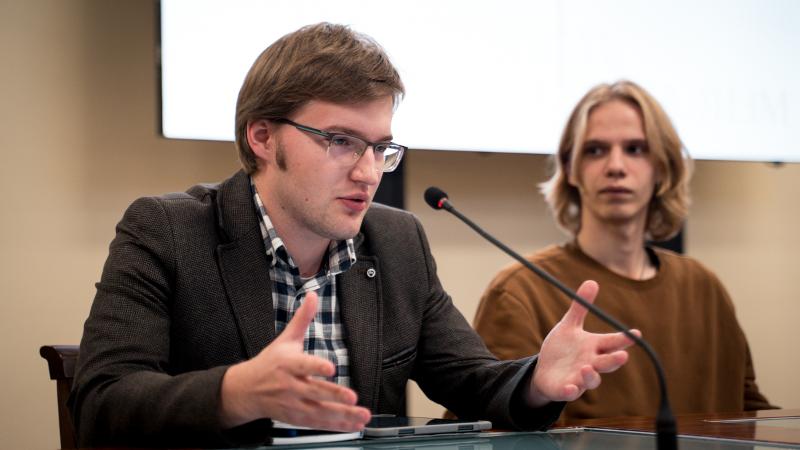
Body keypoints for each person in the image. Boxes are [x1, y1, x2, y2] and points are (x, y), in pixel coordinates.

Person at [69, 24, 637, 447]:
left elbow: (469, 380)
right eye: (340, 141)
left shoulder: (397, 241)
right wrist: (235, 393)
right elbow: (101, 403)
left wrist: (536, 381)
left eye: (380, 147)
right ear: (263, 137)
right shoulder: (168, 231)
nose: (368, 173)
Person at [472, 80, 775, 424]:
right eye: (595, 150)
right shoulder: (520, 291)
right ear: (570, 168)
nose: (616, 166)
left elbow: (750, 414)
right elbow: (479, 428)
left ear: (662, 167)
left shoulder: (704, 286)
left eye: (635, 149)